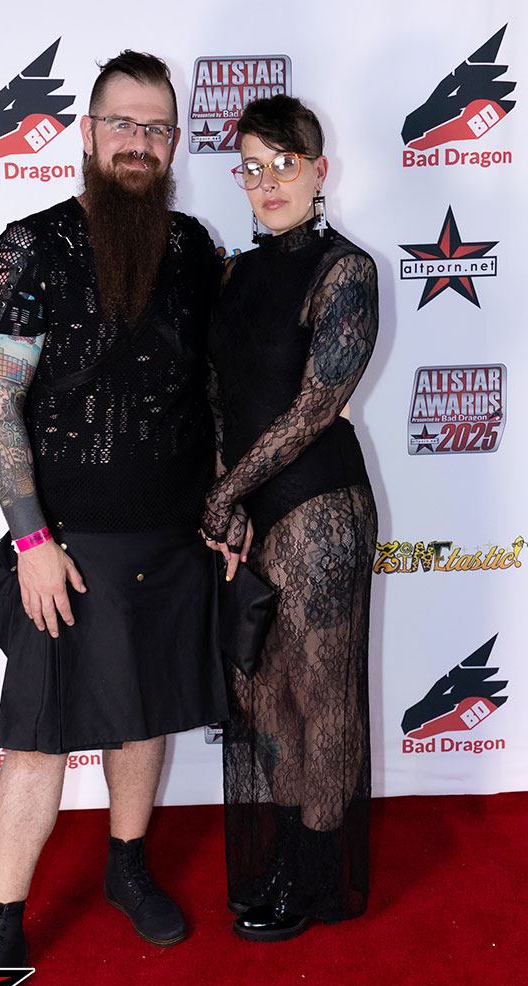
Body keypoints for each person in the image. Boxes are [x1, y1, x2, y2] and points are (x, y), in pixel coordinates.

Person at [0, 51, 227, 966]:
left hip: (171, 536)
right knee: (37, 740)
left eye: (156, 128)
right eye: (122, 123)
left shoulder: (195, 250)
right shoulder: (30, 245)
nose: (138, 142)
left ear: (174, 142)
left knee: (144, 717)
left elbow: (215, 392)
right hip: (65, 546)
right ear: (87, 132)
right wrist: (32, 541)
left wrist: (224, 508)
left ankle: (127, 866)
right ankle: (2, 922)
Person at [200, 94, 378, 941]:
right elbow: (216, 396)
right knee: (263, 695)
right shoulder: (236, 273)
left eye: (285, 164)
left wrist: (227, 492)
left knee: (321, 694)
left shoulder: (347, 270)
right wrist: (226, 497)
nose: (268, 182)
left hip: (319, 507)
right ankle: (288, 855)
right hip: (248, 513)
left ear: (319, 170)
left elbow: (315, 408)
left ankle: (316, 871)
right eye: (253, 167)